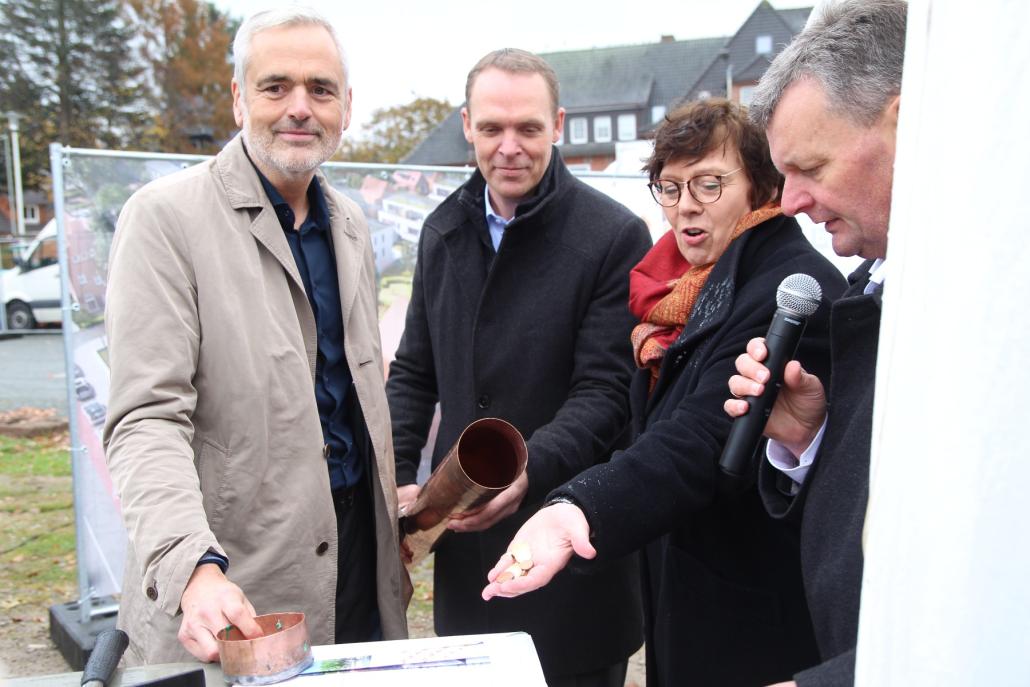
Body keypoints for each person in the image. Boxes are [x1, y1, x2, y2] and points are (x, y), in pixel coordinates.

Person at [482, 98, 846, 686]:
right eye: (670, 188)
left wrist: (580, 506)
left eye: (708, 184)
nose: (686, 208)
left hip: (751, 613)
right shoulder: (684, 288)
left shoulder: (787, 289)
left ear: (761, 184)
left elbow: (701, 435)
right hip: (694, 592)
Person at [103, 7, 407, 664]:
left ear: (346, 107)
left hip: (358, 570)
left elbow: (350, 398)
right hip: (235, 590)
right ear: (239, 98)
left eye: (320, 90)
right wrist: (192, 567)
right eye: (276, 87)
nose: (300, 107)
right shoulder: (165, 220)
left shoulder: (350, 224)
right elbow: (146, 419)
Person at [385, 49, 652, 685]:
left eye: (528, 128)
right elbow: (415, 374)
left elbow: (606, 392)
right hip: (467, 551)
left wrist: (526, 471)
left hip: (569, 545)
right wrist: (396, 478)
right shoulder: (442, 231)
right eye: (492, 128)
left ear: (557, 125)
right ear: (466, 125)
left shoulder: (612, 236)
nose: (510, 147)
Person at [723, 1, 907, 684]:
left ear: (904, 120)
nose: (792, 200)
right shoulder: (872, 291)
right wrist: (808, 440)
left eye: (811, 166)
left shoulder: (988, 316)